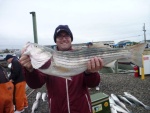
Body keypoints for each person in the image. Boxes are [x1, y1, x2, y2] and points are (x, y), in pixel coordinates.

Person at [19, 25, 103, 113]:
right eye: (59, 36)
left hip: (82, 109)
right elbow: (35, 84)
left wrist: (90, 73)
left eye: (66, 36)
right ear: (55, 40)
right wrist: (30, 70)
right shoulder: (45, 63)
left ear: (71, 39)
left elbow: (93, 84)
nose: (63, 39)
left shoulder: (81, 55)